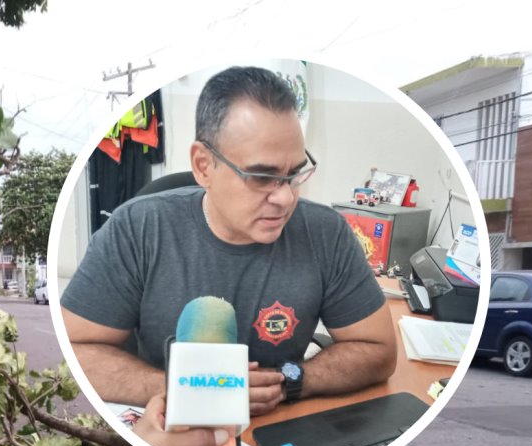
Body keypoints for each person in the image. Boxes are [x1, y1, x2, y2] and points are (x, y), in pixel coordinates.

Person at [61, 66, 397, 427]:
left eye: (295, 173)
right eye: (262, 176)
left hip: (275, 428)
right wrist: (189, 389)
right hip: (166, 430)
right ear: (203, 166)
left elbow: (379, 350)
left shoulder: (325, 233)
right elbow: (75, 352)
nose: (285, 197)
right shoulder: (137, 229)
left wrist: (289, 381)